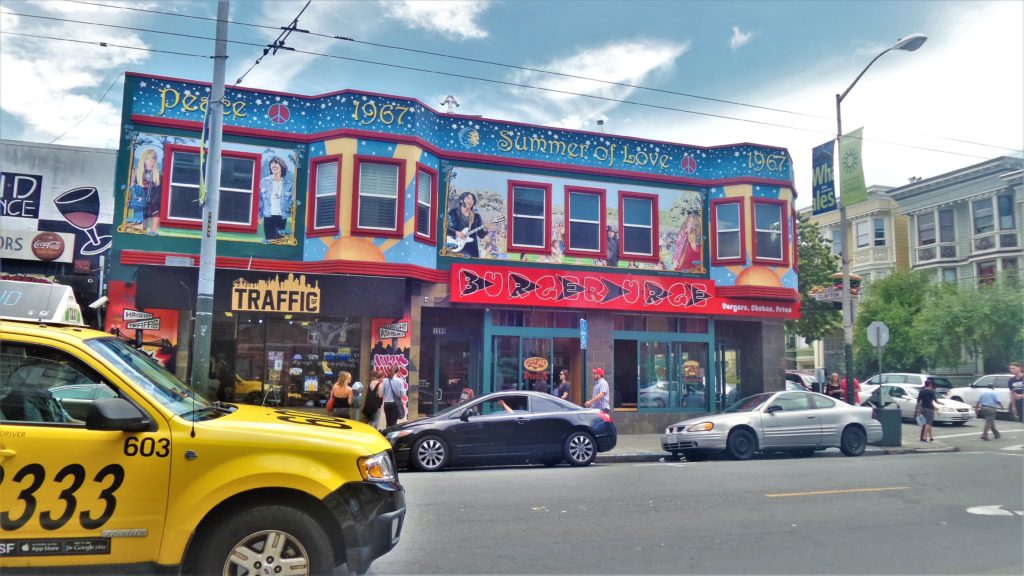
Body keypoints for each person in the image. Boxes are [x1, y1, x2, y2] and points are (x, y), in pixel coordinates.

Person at [259, 156, 294, 243]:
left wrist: (288, 211)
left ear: (282, 166)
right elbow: (260, 200)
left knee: (279, 242)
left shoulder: (289, 185)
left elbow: (291, 201)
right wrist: (259, 215)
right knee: (269, 241)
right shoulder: (264, 182)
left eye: (276, 163)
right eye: (272, 163)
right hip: (268, 216)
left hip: (281, 217)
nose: (273, 165)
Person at [130, 148, 161, 235]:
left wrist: (155, 200)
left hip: (153, 199)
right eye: (147, 158)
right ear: (143, 159)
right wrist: (136, 197)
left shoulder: (157, 173)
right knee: (142, 216)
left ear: (155, 161)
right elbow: (133, 187)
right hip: (141, 199)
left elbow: (159, 190)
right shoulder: (138, 172)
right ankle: (142, 232)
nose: (150, 161)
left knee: (156, 212)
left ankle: (153, 231)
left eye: (152, 159)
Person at [446, 191, 486, 257]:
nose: (471, 200)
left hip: (471, 251)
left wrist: (486, 229)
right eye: (468, 198)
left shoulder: (476, 217)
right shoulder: (453, 213)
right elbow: (444, 228)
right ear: (461, 200)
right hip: (455, 248)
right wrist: (456, 233)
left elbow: (481, 235)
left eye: (472, 199)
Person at [914, 378, 943, 443]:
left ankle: (930, 438)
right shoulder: (931, 392)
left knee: (927, 423)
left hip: (923, 408)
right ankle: (924, 438)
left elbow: (918, 402)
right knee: (928, 423)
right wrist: (942, 403)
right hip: (930, 409)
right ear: (930, 384)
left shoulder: (921, 391)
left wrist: (917, 411)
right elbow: (936, 401)